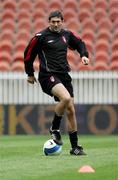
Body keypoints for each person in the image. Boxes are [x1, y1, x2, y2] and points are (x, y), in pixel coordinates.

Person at [24, 10, 89, 155]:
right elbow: (28, 54)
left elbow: (79, 43)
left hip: (64, 76)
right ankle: (54, 128)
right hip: (48, 75)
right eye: (53, 22)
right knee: (65, 98)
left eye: (58, 21)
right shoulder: (40, 37)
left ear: (62, 21)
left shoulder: (66, 34)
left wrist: (84, 55)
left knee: (71, 110)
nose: (56, 24)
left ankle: (75, 147)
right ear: (49, 22)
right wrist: (29, 73)